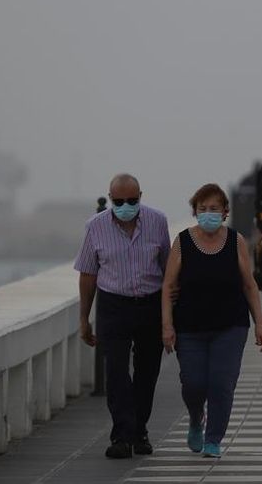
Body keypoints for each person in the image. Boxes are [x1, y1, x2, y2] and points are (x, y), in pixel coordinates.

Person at [161, 184, 262, 458]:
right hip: (190, 328)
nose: (208, 214)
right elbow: (168, 285)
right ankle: (197, 418)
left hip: (230, 325)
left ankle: (213, 439)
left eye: (214, 209)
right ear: (195, 212)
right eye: (203, 209)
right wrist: (167, 326)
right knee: (193, 383)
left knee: (222, 383)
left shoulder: (236, 241)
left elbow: (249, 286)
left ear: (225, 212)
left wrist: (260, 324)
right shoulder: (182, 242)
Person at [74, 173, 171, 459]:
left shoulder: (157, 221)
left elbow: (168, 269)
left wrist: (170, 316)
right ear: (110, 198)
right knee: (116, 372)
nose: (125, 206)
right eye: (119, 201)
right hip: (113, 305)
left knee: (147, 371)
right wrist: (83, 318)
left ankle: (139, 431)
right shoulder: (95, 227)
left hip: (149, 303)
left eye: (132, 200)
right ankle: (121, 435)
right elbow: (88, 274)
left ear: (141, 196)